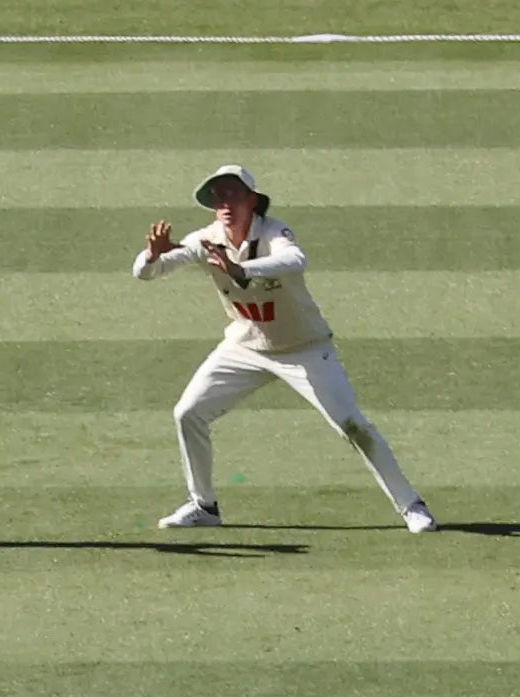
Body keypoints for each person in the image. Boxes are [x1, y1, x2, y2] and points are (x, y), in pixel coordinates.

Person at [137, 164, 436, 535]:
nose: (225, 203)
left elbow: (295, 260)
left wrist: (242, 268)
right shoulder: (206, 239)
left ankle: (411, 506)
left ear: (252, 200)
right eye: (218, 197)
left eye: (233, 194)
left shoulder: (274, 231)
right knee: (188, 413)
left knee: (353, 426)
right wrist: (153, 256)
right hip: (245, 347)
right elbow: (144, 273)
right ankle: (204, 505)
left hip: (304, 349)